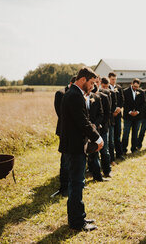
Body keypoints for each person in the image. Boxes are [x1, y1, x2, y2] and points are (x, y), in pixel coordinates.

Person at [58, 67, 103, 231]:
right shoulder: (75, 96)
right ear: (83, 79)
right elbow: (82, 121)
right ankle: (77, 222)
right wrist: (97, 138)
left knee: (77, 183)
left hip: (74, 146)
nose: (92, 87)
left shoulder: (73, 93)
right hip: (74, 147)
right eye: (91, 83)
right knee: (76, 184)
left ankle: (79, 217)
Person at [52, 76, 76, 197]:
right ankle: (64, 186)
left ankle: (73, 183)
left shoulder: (77, 93)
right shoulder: (60, 93)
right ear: (71, 83)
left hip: (76, 132)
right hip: (64, 131)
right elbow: (60, 113)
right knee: (65, 159)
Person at [87, 83, 106, 182]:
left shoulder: (96, 98)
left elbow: (101, 114)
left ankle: (98, 177)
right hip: (83, 130)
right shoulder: (80, 98)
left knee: (95, 153)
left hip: (94, 130)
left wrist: (95, 124)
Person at [122, 78, 146, 154]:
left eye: (137, 87)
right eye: (134, 86)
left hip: (138, 117)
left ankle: (134, 148)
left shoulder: (141, 92)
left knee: (135, 133)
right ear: (131, 84)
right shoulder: (125, 91)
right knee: (126, 133)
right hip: (127, 116)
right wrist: (129, 111)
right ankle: (124, 149)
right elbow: (124, 102)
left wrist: (138, 111)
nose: (135, 88)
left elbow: (143, 103)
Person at [108, 72, 125, 161]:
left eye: (115, 79)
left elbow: (122, 99)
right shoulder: (106, 88)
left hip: (118, 115)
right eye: (112, 79)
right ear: (109, 79)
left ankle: (119, 153)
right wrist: (112, 112)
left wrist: (119, 108)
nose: (114, 81)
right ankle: (111, 156)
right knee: (110, 137)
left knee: (118, 135)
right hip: (110, 116)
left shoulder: (119, 88)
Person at [98, 77, 112, 178]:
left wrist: (101, 124)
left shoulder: (104, 95)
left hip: (103, 127)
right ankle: (94, 170)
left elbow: (108, 113)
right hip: (91, 128)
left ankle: (107, 171)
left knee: (104, 150)